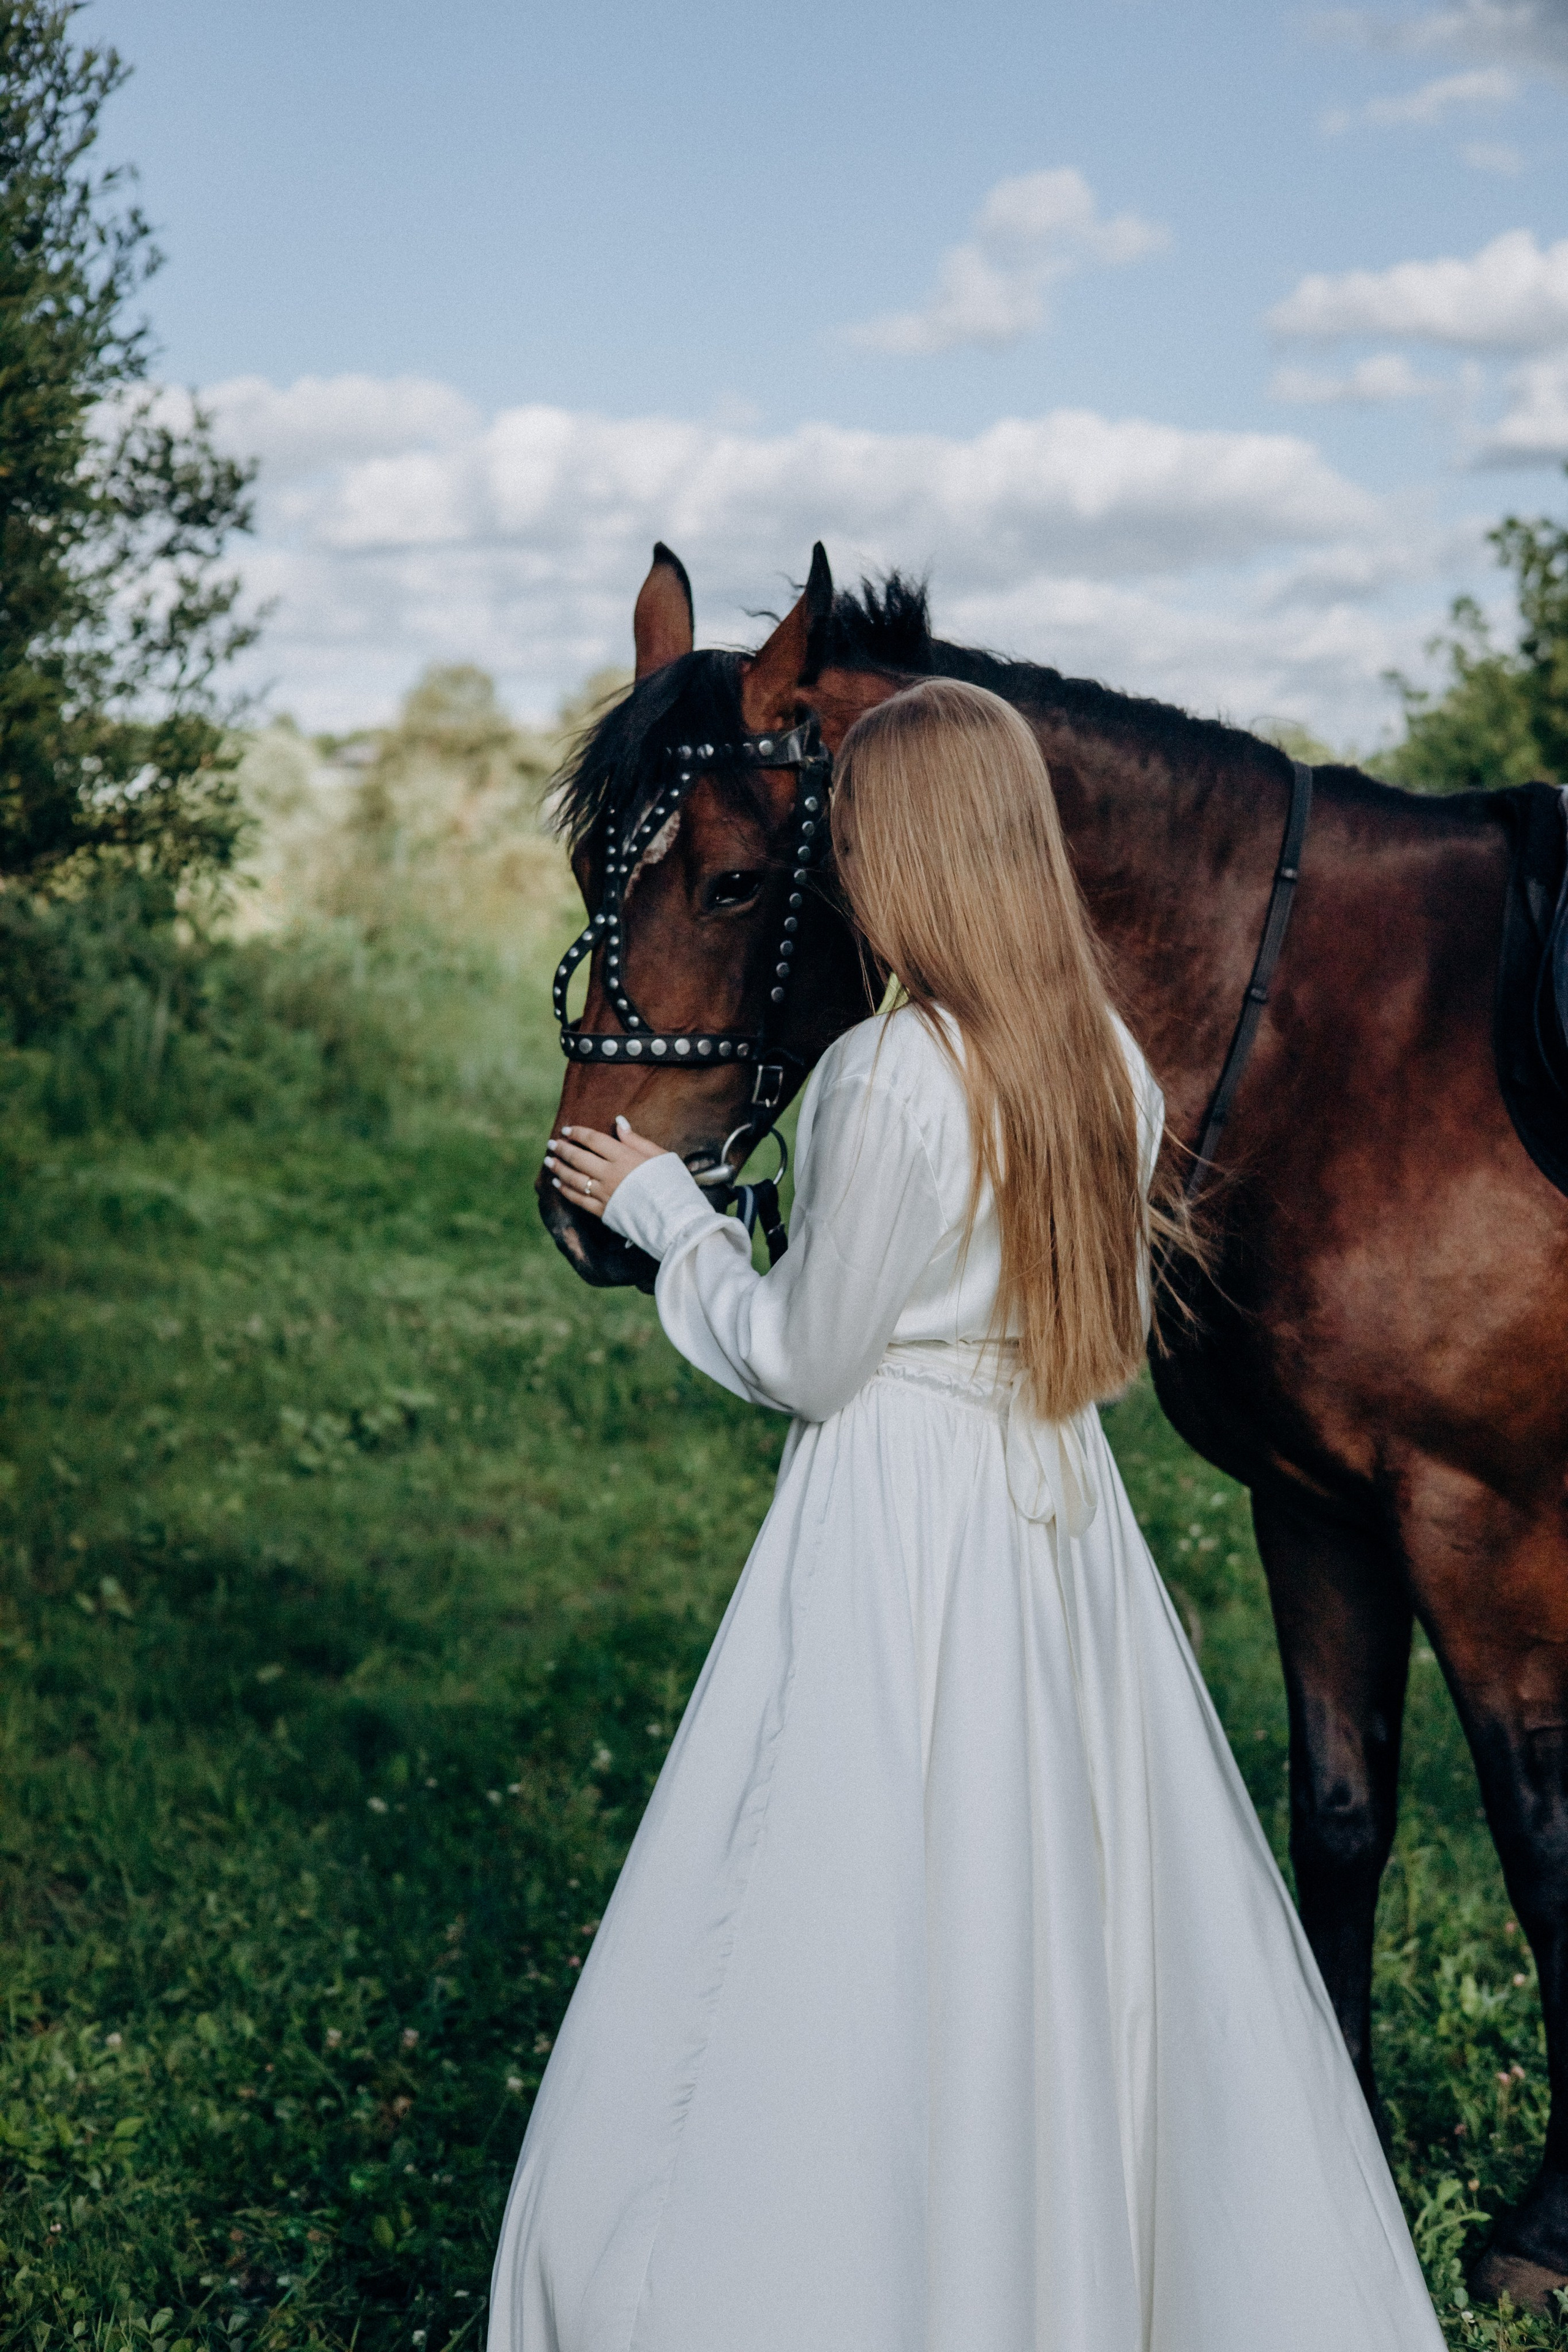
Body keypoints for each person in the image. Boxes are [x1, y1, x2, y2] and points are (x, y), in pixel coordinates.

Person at [489, 678, 1442, 2351]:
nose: (836, 870)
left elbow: (811, 1357)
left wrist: (672, 1219)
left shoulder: (887, 1077)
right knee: (1057, 1901)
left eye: (852, 839)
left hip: (902, 1527)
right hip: (1058, 1532)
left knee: (849, 1889)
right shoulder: (1110, 1071)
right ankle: (1063, 2248)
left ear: (906, 859)